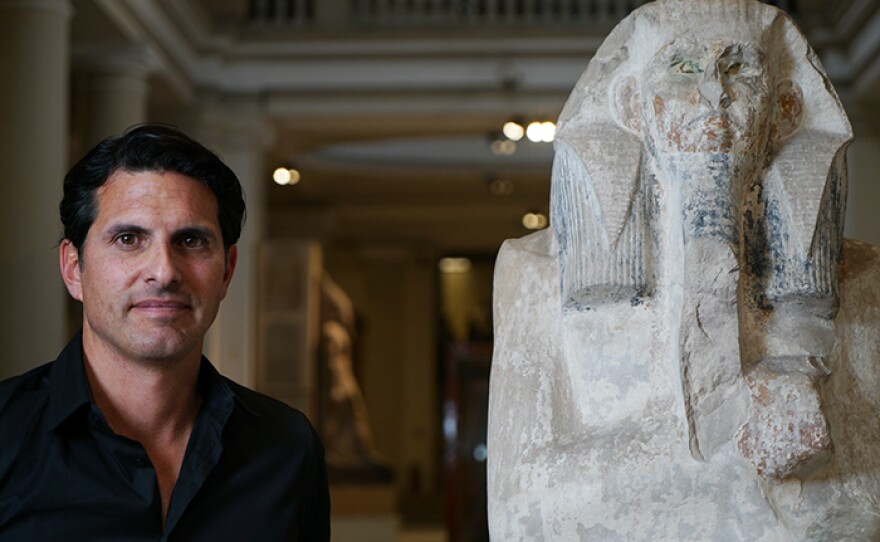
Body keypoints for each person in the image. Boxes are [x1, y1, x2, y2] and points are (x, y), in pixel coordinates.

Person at [0, 124, 330, 541]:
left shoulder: (287, 448)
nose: (164, 272)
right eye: (128, 238)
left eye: (191, 240)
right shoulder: (7, 436)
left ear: (227, 270)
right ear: (73, 268)